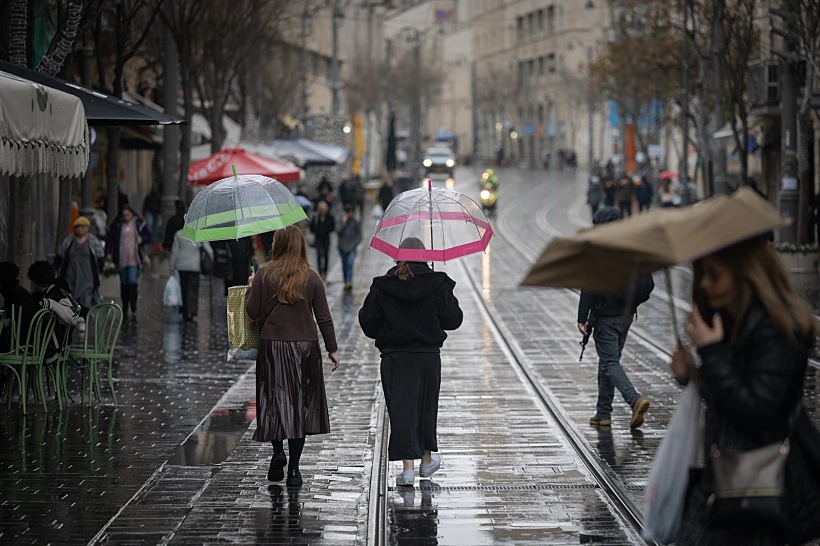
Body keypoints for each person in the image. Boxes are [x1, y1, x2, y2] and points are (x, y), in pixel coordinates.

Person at [671, 236, 820, 545]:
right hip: (724, 474)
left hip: (758, 482)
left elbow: (758, 410)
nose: (706, 284)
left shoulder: (775, 329)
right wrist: (693, 374)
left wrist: (711, 353)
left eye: (716, 275)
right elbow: (730, 393)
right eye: (703, 275)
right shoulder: (734, 322)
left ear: (745, 273)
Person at [358, 237, 464, 486]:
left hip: (395, 357)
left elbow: (367, 321)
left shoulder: (384, 285)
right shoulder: (436, 283)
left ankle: (407, 469)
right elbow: (453, 319)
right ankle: (426, 461)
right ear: (425, 257)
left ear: (398, 257)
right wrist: (441, 290)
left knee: (402, 409)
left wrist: (388, 327)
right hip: (427, 357)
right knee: (426, 407)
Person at [245, 225, 340, 487]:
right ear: (300, 245)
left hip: (272, 346)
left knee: (275, 401)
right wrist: (332, 349)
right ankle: (295, 470)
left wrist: (252, 287)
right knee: (300, 406)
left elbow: (252, 313)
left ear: (278, 245)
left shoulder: (264, 275)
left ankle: (278, 453)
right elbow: (324, 317)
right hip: (304, 349)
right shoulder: (312, 278)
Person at [577, 207, 652, 429]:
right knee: (607, 362)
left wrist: (582, 317)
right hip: (627, 315)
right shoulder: (630, 246)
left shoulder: (600, 250)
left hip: (606, 316)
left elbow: (588, 285)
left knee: (610, 362)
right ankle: (603, 413)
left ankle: (634, 400)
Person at [28, 261, 79, 365]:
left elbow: (72, 318)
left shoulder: (57, 294)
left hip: (53, 347)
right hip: (50, 343)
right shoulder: (48, 293)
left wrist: (50, 304)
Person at [55, 217, 105, 323]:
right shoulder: (69, 240)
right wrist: (56, 270)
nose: (80, 230)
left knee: (86, 299)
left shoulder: (92, 241)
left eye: (82, 227)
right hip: (71, 276)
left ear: (87, 228)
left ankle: (83, 322)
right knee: (70, 299)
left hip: (88, 277)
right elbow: (60, 254)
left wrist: (100, 272)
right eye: (77, 227)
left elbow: (100, 257)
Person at [106, 206, 152, 319]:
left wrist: (142, 239)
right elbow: (111, 239)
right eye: (124, 215)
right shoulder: (117, 225)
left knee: (132, 280)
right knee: (124, 282)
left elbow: (148, 236)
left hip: (134, 257)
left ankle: (133, 304)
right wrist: (109, 253)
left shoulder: (139, 223)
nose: (126, 218)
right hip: (121, 257)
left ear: (132, 214)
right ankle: (125, 305)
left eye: (128, 215)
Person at [169, 230, 213, 322]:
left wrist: (172, 266)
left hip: (181, 266)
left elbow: (175, 250)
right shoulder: (200, 234)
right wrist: (211, 261)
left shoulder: (179, 234)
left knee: (184, 289)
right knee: (193, 289)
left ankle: (185, 310)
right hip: (194, 266)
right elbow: (208, 249)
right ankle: (191, 311)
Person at [0, 262, 36, 352]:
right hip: (24, 339)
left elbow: (7, 317)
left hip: (18, 342)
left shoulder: (13, 293)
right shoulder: (18, 291)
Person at [337, 204, 362, 291]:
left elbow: (359, 235)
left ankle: (349, 281)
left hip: (351, 247)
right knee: (344, 265)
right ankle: (345, 281)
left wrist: (354, 244)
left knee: (350, 263)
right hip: (342, 247)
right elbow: (338, 231)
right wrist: (343, 223)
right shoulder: (341, 220)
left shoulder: (355, 222)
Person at [309, 201, 335, 279]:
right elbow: (312, 229)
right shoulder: (316, 217)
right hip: (318, 239)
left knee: (326, 256)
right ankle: (320, 272)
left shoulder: (329, 217)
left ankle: (325, 272)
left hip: (326, 239)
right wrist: (315, 220)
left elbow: (332, 228)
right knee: (319, 255)